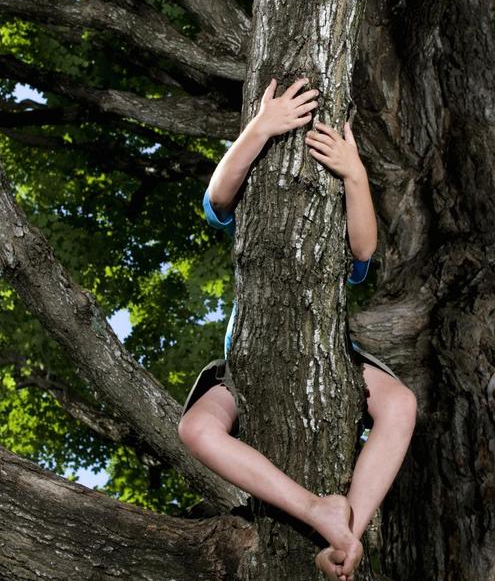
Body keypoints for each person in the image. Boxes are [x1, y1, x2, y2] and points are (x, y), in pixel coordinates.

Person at [177, 78, 417, 580]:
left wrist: (355, 176)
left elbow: (363, 249)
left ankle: (349, 526)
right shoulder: (248, 210)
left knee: (400, 403)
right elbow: (217, 196)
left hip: (332, 349)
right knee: (195, 428)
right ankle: (313, 509)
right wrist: (261, 128)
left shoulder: (342, 233)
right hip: (242, 362)